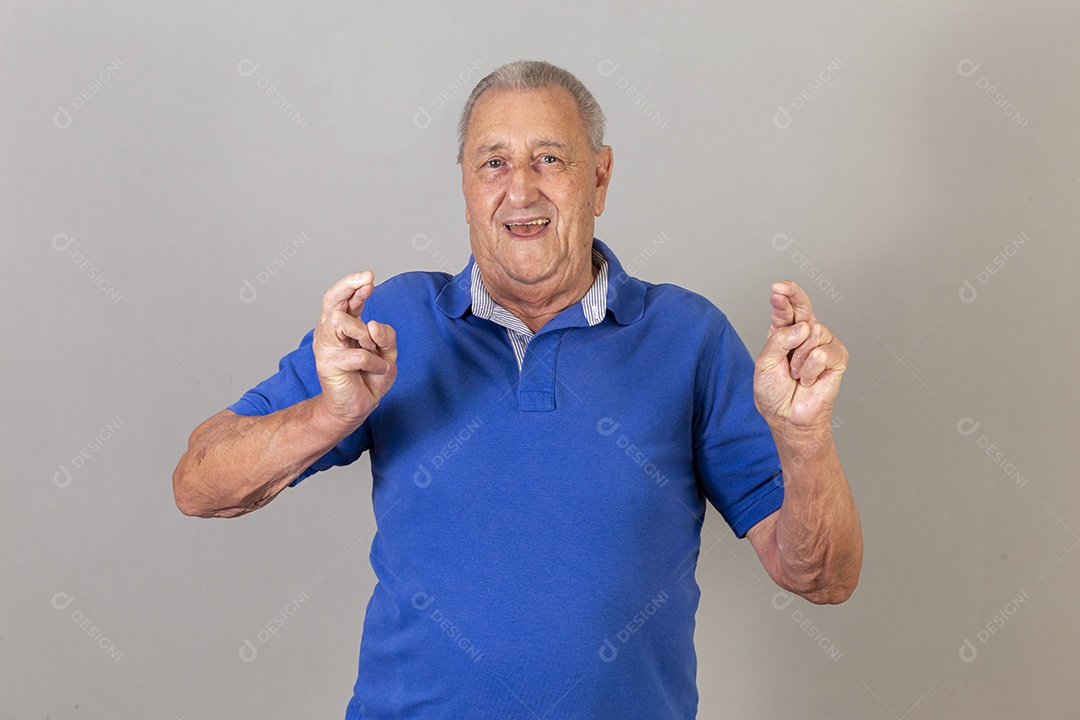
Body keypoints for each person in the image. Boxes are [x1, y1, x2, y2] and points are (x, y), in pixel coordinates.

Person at [173, 59, 861, 719]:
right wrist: (329, 414)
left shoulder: (689, 336)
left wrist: (804, 440)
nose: (521, 189)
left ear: (600, 176)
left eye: (550, 159)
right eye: (494, 162)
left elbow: (822, 577)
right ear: (466, 186)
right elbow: (199, 485)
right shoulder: (395, 323)